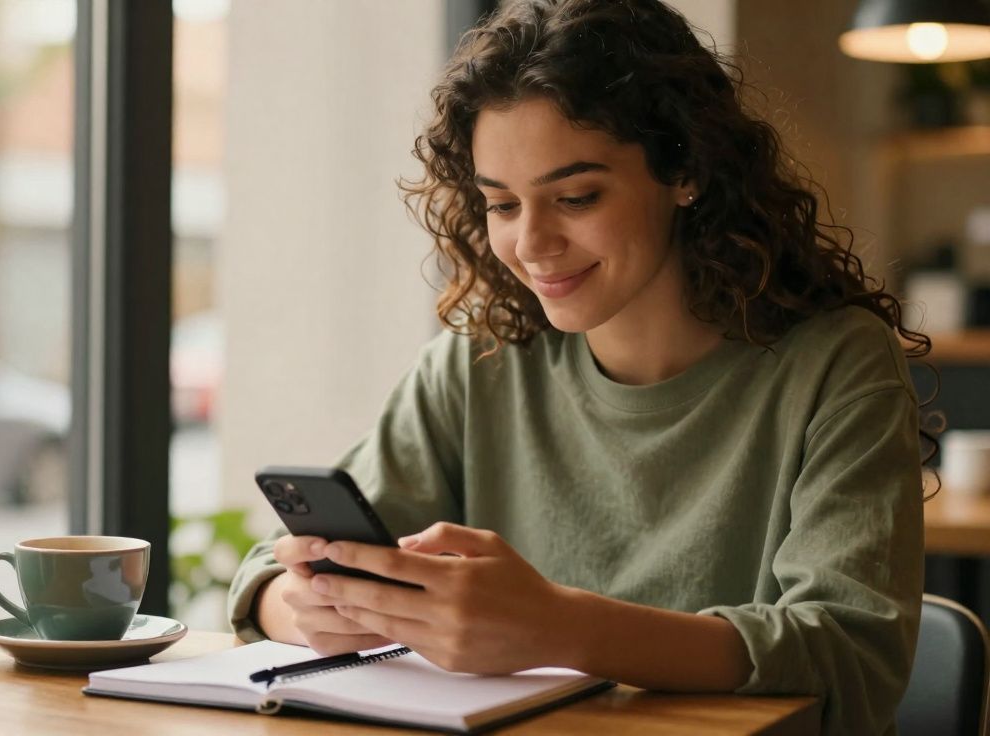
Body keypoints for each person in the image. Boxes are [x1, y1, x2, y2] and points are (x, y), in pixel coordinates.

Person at [227, 1, 936, 733]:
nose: (532, 243)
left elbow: (850, 655)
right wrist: (310, 607)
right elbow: (264, 580)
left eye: (576, 197)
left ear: (685, 169)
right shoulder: (478, 367)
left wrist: (557, 627)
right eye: (501, 204)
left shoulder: (837, 364)